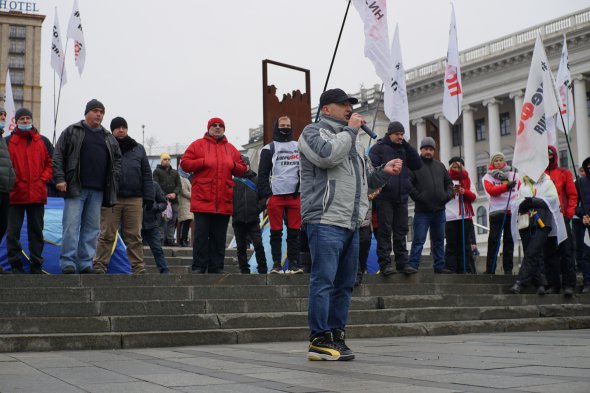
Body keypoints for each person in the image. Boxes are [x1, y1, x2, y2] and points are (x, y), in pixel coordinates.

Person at [298, 88, 401, 361]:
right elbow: (326, 156)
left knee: (344, 284)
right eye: (342, 104)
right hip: (325, 219)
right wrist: (351, 132)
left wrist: (383, 173)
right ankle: (318, 338)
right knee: (323, 281)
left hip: (351, 223)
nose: (349, 108)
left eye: (349, 104)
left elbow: (364, 180)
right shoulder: (312, 132)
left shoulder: (351, 140)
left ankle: (336, 336)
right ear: (326, 109)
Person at [53, 99, 122, 274]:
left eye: (102, 111)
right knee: (71, 227)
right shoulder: (71, 131)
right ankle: (67, 262)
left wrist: (114, 179)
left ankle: (85, 263)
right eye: (95, 110)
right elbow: (58, 155)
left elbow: (118, 161)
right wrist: (60, 178)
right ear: (87, 113)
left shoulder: (108, 137)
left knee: (92, 229)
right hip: (75, 188)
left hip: (98, 191)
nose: (99, 114)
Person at [180, 117, 246, 274]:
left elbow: (243, 168)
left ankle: (216, 267)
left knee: (219, 236)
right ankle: (199, 267)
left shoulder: (231, 148)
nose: (217, 128)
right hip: (203, 199)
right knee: (201, 236)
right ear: (208, 128)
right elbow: (184, 163)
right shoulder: (197, 145)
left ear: (224, 129)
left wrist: (233, 165)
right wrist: (202, 162)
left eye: (220, 126)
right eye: (214, 125)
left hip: (223, 200)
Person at [93, 117, 153, 274]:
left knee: (134, 236)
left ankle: (138, 267)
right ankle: (99, 265)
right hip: (111, 198)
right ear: (112, 130)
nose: (121, 130)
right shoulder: (105, 146)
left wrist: (149, 196)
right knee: (107, 234)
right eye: (118, 127)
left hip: (134, 199)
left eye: (123, 127)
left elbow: (147, 174)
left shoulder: (138, 149)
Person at [369, 121, 422, 276]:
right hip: (384, 197)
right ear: (390, 133)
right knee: (384, 231)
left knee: (401, 231)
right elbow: (371, 171)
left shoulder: (404, 148)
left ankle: (402, 263)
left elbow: (417, 164)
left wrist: (406, 145)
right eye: (397, 134)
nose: (400, 137)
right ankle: (385, 264)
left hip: (401, 196)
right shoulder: (378, 148)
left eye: (402, 134)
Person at [5, 108, 52, 274]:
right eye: (22, 118)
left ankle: (36, 265)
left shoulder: (43, 141)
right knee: (12, 233)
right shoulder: (7, 141)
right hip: (14, 195)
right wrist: (13, 182)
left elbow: (50, 163)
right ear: (16, 121)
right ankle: (15, 265)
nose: (25, 121)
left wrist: (42, 179)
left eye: (27, 118)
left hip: (37, 195)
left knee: (37, 233)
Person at [258, 116, 302, 274]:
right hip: (276, 196)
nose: (285, 128)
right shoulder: (268, 148)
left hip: (295, 195)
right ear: (276, 127)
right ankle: (277, 264)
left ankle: (294, 264)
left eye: (288, 125)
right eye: (282, 125)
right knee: (275, 232)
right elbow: (262, 175)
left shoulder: (299, 146)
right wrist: (267, 195)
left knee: (294, 232)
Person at [510, 174, 567, 295]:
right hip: (525, 223)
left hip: (542, 222)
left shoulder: (547, 183)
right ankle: (540, 283)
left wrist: (532, 201)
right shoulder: (523, 185)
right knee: (529, 252)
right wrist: (525, 203)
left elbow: (551, 200)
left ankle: (520, 282)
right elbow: (518, 203)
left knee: (532, 251)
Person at [408, 137, 454, 273]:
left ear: (434, 151)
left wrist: (447, 196)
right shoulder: (414, 165)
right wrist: (420, 198)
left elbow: (449, 183)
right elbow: (409, 185)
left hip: (439, 210)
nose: (428, 151)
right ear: (421, 150)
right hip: (422, 211)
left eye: (431, 149)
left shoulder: (440, 166)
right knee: (419, 240)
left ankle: (439, 266)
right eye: (426, 149)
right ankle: (413, 265)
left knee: (439, 240)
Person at [544, 146, 577, 296]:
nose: (548, 156)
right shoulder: (539, 175)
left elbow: (572, 195)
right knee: (550, 252)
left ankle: (569, 284)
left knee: (566, 251)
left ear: (554, 155)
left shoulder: (564, 173)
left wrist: (569, 214)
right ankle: (553, 284)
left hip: (562, 216)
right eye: (546, 154)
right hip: (546, 219)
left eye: (551, 154)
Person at [482, 152, 518, 274]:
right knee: (494, 240)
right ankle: (490, 269)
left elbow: (520, 190)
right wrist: (506, 187)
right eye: (495, 161)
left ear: (504, 162)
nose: (498, 162)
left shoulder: (513, 175)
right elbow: (492, 191)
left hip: (510, 211)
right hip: (496, 212)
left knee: (509, 240)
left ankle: (508, 269)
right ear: (492, 163)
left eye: (500, 160)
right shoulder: (488, 177)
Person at [232, 155, 267, 274]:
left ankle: (262, 268)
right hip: (238, 219)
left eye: (246, 164)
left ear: (249, 165)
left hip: (253, 218)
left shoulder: (257, 180)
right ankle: (244, 270)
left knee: (258, 245)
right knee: (241, 247)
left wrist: (257, 209)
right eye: (242, 164)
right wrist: (234, 211)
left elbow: (265, 198)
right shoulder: (233, 181)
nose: (245, 166)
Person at [444, 157, 477, 274]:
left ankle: (464, 268)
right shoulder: (446, 179)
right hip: (450, 216)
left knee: (464, 244)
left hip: (464, 216)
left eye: (458, 167)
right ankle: (451, 268)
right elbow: (441, 196)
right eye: (454, 167)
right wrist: (451, 193)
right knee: (451, 244)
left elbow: (474, 196)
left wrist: (465, 192)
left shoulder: (467, 179)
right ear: (450, 167)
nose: (456, 169)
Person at [153, 153, 181, 246]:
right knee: (161, 220)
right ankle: (161, 239)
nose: (167, 161)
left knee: (173, 220)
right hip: (162, 201)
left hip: (174, 201)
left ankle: (170, 239)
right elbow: (156, 185)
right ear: (161, 161)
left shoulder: (175, 172)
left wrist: (174, 193)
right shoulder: (156, 171)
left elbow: (179, 185)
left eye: (169, 159)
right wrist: (164, 195)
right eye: (165, 159)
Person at [142, 182, 170, 274]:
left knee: (157, 249)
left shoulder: (155, 185)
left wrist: (155, 207)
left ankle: (165, 271)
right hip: (134, 223)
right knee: (133, 249)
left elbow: (163, 203)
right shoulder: (133, 183)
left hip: (151, 223)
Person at [0, 107, 15, 274]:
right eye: (0, 115)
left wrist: (12, 177)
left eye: (4, 115)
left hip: (5, 190)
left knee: (2, 226)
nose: (3, 118)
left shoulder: (3, 139)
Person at [575, 157, 590, 294]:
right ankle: (587, 283)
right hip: (587, 225)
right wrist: (582, 215)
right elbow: (574, 203)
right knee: (587, 256)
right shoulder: (580, 183)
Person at [177, 167, 192, 247]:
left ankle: (184, 239)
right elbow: (183, 191)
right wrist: (194, 196)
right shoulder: (181, 177)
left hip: (187, 203)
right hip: (183, 203)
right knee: (185, 221)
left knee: (186, 221)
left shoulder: (186, 178)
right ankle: (183, 240)